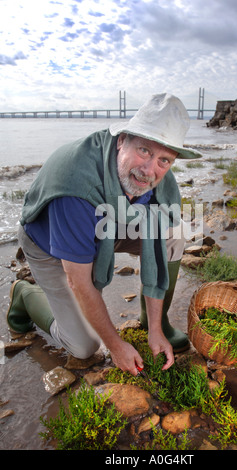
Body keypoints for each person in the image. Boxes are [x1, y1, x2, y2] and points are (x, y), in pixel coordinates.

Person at [6, 93, 200, 376]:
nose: (149, 170)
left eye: (164, 160)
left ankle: (153, 323)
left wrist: (156, 330)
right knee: (84, 347)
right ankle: (25, 295)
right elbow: (80, 283)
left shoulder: (157, 176)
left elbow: (157, 242)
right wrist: (116, 345)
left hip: (110, 224)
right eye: (144, 150)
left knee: (174, 232)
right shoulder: (75, 187)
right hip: (47, 241)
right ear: (122, 140)